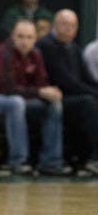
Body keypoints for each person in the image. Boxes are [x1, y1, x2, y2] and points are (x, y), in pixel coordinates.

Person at [0, 19, 70, 175]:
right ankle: (18, 162)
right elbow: (8, 89)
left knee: (54, 104)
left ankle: (51, 162)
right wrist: (40, 92)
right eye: (21, 36)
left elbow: (41, 84)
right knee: (16, 102)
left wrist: (50, 93)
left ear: (35, 39)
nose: (25, 41)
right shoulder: (3, 54)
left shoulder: (35, 55)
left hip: (18, 102)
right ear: (12, 37)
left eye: (29, 37)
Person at [38, 9, 98, 175]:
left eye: (72, 25)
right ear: (55, 25)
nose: (68, 29)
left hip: (75, 96)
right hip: (55, 98)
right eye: (64, 24)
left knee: (90, 100)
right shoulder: (45, 46)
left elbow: (87, 79)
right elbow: (66, 82)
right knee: (89, 103)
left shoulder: (74, 49)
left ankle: (89, 157)